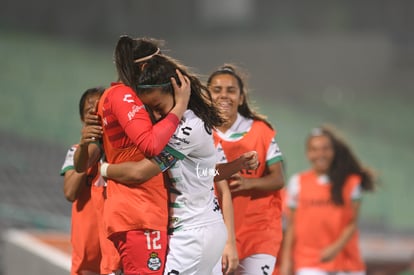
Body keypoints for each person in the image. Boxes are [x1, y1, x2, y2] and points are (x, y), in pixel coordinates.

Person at [97, 45, 259, 275]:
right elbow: (204, 173)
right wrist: (237, 165)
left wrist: (103, 169)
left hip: (194, 233)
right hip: (197, 229)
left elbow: (140, 173)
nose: (155, 116)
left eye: (158, 107)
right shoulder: (180, 123)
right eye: (150, 110)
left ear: (176, 92)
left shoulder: (186, 129)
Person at [74, 36, 191, 275]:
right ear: (144, 66)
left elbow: (84, 163)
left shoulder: (115, 97)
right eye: (156, 63)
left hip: (133, 212)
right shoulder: (123, 96)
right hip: (139, 212)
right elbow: (149, 145)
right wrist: (179, 107)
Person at [207, 64, 286, 275]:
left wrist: (248, 183)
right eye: (217, 89)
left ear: (241, 98)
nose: (224, 95)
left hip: (257, 229)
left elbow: (278, 178)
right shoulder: (198, 131)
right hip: (212, 227)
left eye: (231, 90)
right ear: (207, 95)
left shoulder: (260, 131)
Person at [280, 126, 376, 275]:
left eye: (325, 149)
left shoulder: (351, 183)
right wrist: (286, 262)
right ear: (308, 153)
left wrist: (335, 248)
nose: (320, 154)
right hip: (309, 262)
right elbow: (291, 226)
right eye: (315, 149)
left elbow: (352, 223)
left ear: (333, 152)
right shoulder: (297, 182)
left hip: (347, 263)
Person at [60, 87, 121, 275]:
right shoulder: (76, 151)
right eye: (90, 113)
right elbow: (70, 192)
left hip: (117, 254)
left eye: (100, 110)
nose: (96, 116)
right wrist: (88, 145)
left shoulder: (122, 152)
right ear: (82, 120)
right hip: (88, 262)